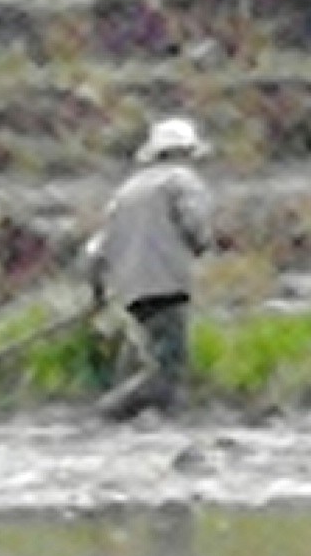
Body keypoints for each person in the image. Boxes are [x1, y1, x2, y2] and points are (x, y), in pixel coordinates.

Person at [82, 114, 217, 420]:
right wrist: (202, 247)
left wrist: (98, 292)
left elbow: (96, 249)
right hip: (166, 283)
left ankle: (158, 418)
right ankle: (110, 412)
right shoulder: (181, 181)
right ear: (185, 152)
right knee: (168, 368)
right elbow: (196, 226)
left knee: (154, 355)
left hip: (131, 289)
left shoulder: (128, 189)